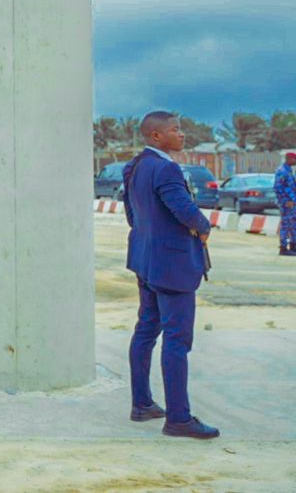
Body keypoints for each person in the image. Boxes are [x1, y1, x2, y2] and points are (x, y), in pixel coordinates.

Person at [123, 111, 219, 439]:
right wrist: (204, 228)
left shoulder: (134, 166)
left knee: (146, 330)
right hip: (172, 266)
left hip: (145, 260)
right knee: (177, 340)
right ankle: (178, 418)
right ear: (156, 137)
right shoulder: (166, 168)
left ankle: (142, 404)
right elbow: (184, 210)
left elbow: (132, 215)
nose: (182, 134)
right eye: (176, 130)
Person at [275, 151, 296, 257]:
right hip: (287, 204)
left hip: (292, 203)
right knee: (286, 225)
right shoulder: (282, 171)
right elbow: (278, 188)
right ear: (289, 159)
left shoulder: (289, 171)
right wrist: (286, 201)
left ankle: (293, 246)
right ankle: (283, 248)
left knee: (293, 225)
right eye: (294, 159)